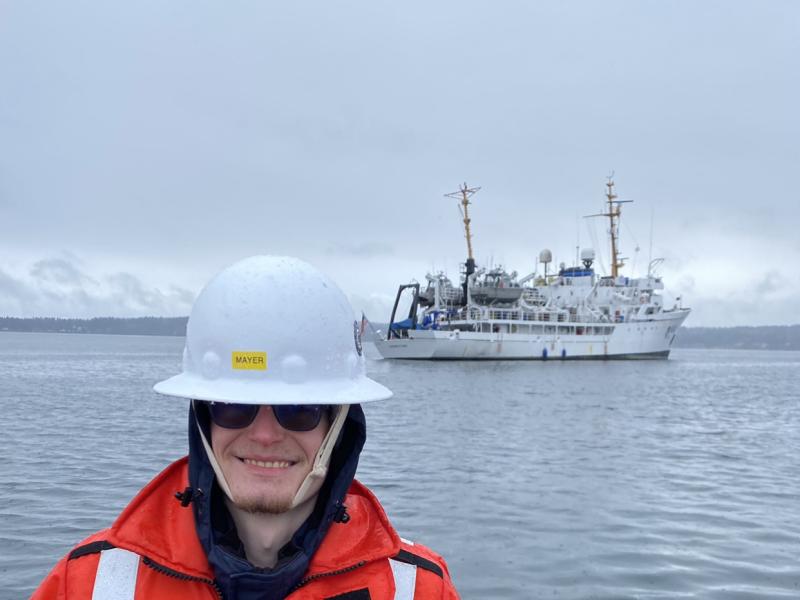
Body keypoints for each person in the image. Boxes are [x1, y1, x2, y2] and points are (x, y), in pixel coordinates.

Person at [33, 255, 459, 600]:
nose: (266, 434)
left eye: (300, 410)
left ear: (339, 422)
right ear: (203, 417)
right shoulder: (89, 584)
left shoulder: (418, 590)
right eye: (234, 407)